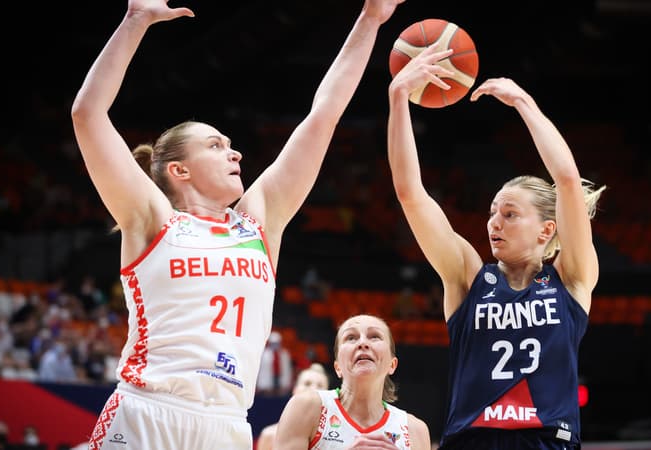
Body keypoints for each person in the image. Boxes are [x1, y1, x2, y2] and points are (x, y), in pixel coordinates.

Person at [70, 0, 405, 447]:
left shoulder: (257, 222)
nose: (235, 153)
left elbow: (323, 115)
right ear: (179, 170)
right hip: (148, 412)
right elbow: (88, 115)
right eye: (215, 145)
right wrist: (135, 22)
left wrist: (370, 19)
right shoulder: (152, 218)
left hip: (227, 423)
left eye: (230, 144)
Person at [387, 45, 606, 449]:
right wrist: (398, 97)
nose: (493, 223)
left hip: (547, 440)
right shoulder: (469, 275)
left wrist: (524, 103)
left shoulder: (571, 277)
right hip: (472, 439)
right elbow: (409, 194)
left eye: (509, 213)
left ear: (546, 230)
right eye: (492, 212)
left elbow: (568, 181)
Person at [273, 314, 431, 450]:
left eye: (375, 336)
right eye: (351, 338)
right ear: (338, 367)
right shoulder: (307, 407)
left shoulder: (414, 430)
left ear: (392, 364)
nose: (363, 343)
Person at [256, 362, 331, 450]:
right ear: (295, 389)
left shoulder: (335, 437)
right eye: (307, 383)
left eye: (320, 385)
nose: (313, 389)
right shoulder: (269, 435)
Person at [257, 330, 294, 396]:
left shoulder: (285, 354)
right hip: (266, 384)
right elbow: (260, 370)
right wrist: (260, 384)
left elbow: (288, 370)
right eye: (273, 343)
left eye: (277, 343)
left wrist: (287, 383)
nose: (275, 345)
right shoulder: (264, 354)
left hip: (281, 382)